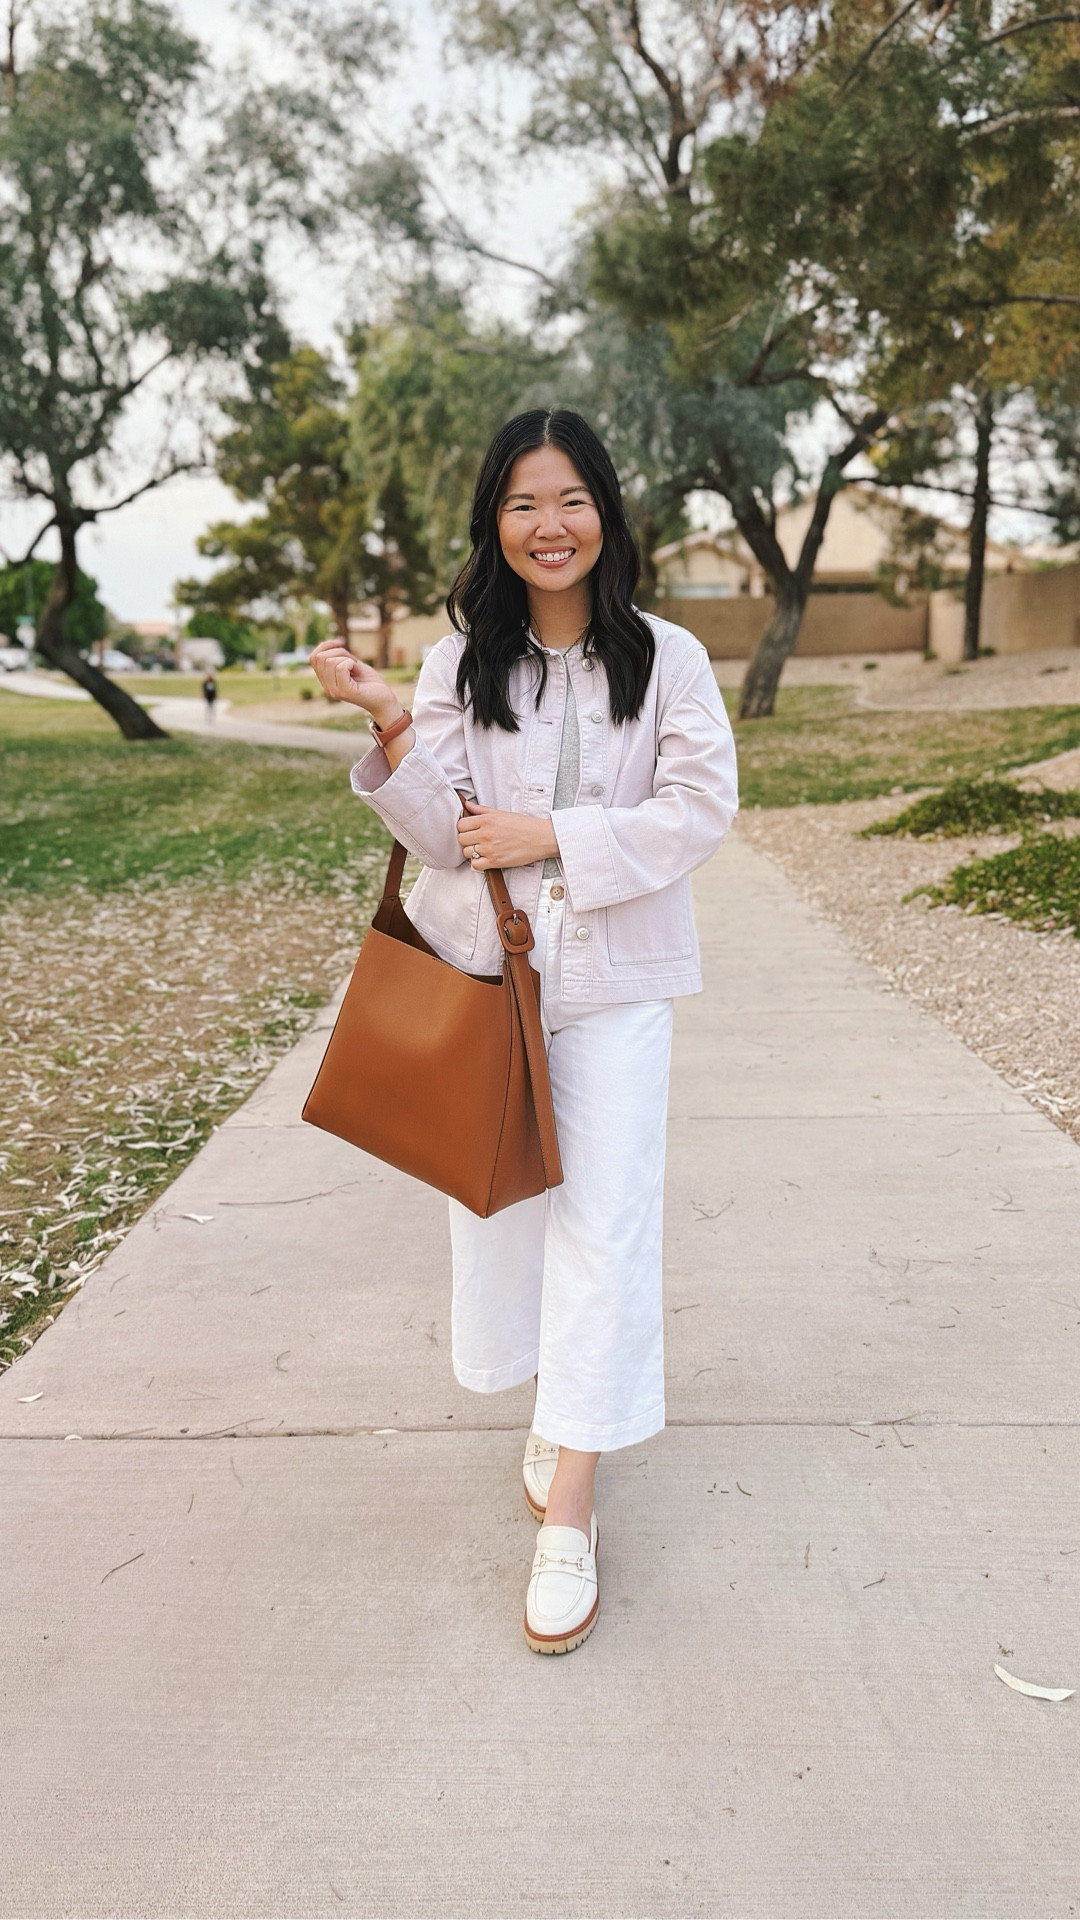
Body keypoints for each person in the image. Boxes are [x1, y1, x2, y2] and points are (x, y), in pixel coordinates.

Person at [311, 408, 738, 1655]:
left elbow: (700, 806)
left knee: (606, 1222)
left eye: (570, 499)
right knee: (501, 1208)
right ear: (493, 523)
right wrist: (391, 721)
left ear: (606, 510)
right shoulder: (459, 664)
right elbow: (441, 836)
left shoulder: (670, 658)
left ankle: (571, 1512)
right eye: (521, 504)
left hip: (615, 983)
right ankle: (558, 1407)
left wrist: (556, 833)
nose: (549, 526)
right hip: (487, 977)